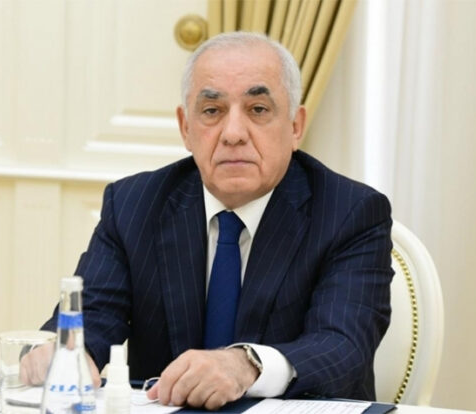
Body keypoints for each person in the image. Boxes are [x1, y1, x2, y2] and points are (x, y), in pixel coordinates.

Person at [21, 31, 394, 410]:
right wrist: (64, 352)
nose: (233, 134)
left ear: (295, 126)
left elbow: (342, 345)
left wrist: (247, 364)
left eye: (258, 109)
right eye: (212, 111)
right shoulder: (134, 204)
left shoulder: (351, 213)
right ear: (186, 127)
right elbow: (93, 315)